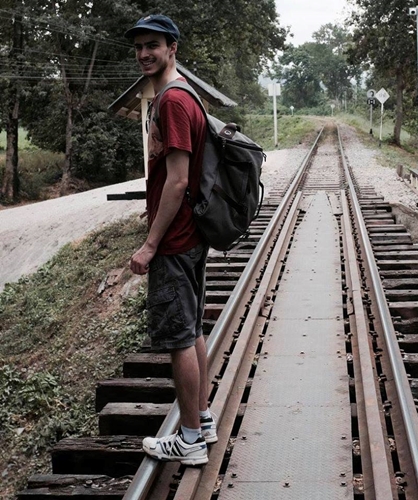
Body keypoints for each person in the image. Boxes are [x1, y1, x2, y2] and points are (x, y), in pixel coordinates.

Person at [125, 14, 216, 466]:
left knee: (179, 338)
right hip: (190, 236)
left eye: (153, 45)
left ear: (172, 48)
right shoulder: (184, 94)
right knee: (192, 329)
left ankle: (190, 439)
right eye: (139, 46)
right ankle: (203, 418)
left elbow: (177, 181)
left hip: (176, 241)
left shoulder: (173, 101)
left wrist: (150, 244)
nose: (144, 53)